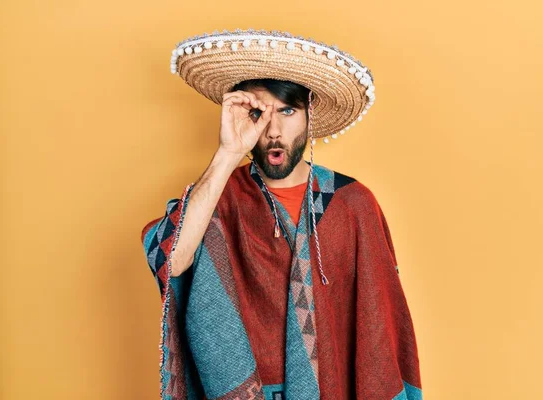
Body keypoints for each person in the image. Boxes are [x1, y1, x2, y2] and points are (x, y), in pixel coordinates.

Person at [141, 29, 422, 400]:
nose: (273, 130)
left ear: (310, 115)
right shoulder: (218, 201)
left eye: (287, 111)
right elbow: (172, 260)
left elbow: (379, 324)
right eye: (258, 112)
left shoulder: (353, 204)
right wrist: (227, 152)